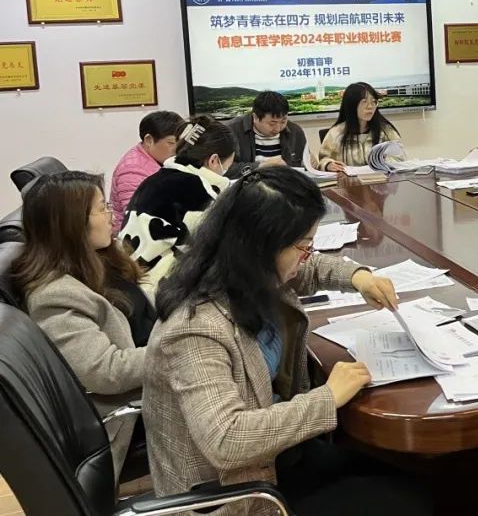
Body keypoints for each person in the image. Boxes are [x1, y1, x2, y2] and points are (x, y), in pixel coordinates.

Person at [144, 167, 430, 516]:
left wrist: (358, 277)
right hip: (236, 492)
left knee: (409, 476)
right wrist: (327, 398)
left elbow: (309, 269)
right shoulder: (195, 328)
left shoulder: (244, 272)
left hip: (276, 455)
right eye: (303, 246)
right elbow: (226, 439)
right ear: (262, 245)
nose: (307, 255)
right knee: (409, 502)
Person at [14, 171, 152, 479]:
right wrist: (177, 349)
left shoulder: (97, 261)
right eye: (102, 208)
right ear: (72, 224)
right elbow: (107, 371)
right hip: (134, 412)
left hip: (153, 380)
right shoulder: (55, 295)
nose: (111, 215)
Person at [119, 116, 236, 292]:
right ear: (214, 160)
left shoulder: (155, 179)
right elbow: (212, 247)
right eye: (228, 164)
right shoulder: (198, 190)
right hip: (159, 286)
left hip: (131, 278)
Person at [109, 110, 184, 233]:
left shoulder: (162, 160)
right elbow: (138, 219)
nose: (178, 149)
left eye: (181, 143)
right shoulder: (132, 171)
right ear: (149, 140)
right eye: (171, 143)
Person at [318, 82, 404, 171]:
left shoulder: (386, 130)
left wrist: (385, 162)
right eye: (364, 102)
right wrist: (328, 165)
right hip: (349, 179)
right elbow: (323, 160)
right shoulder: (336, 132)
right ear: (352, 105)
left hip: (381, 178)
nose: (370, 106)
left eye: (374, 101)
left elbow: (400, 157)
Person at [226, 90, 309, 177]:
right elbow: (222, 169)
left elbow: (302, 164)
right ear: (255, 117)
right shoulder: (231, 131)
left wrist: (310, 163)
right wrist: (259, 166)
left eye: (283, 121)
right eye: (272, 123)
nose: (278, 129)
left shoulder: (295, 131)